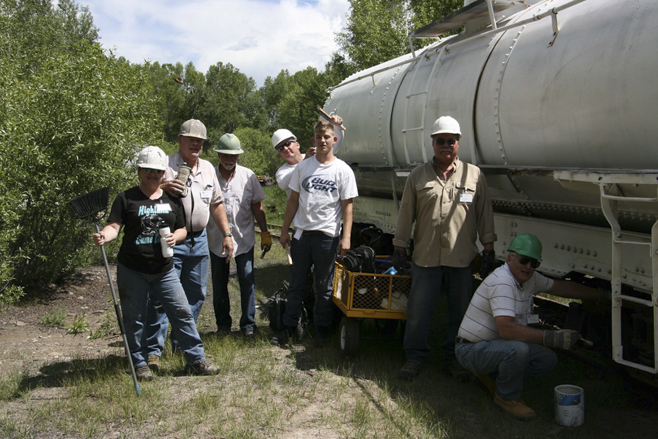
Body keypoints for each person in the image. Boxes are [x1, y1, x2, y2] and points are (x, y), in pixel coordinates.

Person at [92, 146, 219, 380]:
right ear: (139, 171)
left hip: (164, 269)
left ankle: (195, 360)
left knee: (181, 312)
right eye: (148, 170)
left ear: (164, 173)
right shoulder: (126, 198)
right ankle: (140, 364)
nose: (153, 174)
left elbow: (182, 228)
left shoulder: (172, 199)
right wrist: (104, 236)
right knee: (135, 317)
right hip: (133, 269)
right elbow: (114, 226)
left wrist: (175, 237)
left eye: (157, 171)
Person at [393, 115, 497, 381]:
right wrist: (399, 246)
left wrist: (488, 248)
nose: (446, 145)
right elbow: (406, 214)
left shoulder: (474, 175)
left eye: (452, 141)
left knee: (460, 315)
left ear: (458, 144)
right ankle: (415, 357)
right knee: (418, 312)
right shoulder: (418, 176)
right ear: (433, 143)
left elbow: (485, 213)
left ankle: (456, 359)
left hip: (461, 259)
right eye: (441, 141)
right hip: (425, 259)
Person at [455, 233, 600, 420]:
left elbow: (561, 288)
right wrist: (553, 337)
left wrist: (599, 295)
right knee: (518, 350)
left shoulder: (529, 278)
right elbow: (507, 329)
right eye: (524, 261)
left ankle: (491, 376)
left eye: (534, 263)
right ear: (509, 258)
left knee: (546, 359)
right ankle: (506, 398)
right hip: (470, 349)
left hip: (495, 346)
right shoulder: (503, 282)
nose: (528, 267)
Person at [144, 119, 234, 368]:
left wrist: (226, 234)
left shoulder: (206, 168)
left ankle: (181, 343)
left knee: (196, 295)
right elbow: (144, 192)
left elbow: (216, 202)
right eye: (191, 139)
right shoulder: (166, 165)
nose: (196, 144)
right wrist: (162, 186)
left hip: (200, 240)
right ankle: (153, 352)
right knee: (162, 296)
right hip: (169, 238)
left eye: (200, 141)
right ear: (180, 140)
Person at [271, 118, 358, 347]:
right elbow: (293, 201)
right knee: (297, 284)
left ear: (334, 140)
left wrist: (346, 237)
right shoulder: (302, 167)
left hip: (327, 237)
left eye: (327, 137)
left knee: (324, 286)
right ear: (313, 140)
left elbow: (348, 206)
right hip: (302, 235)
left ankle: (322, 330)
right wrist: (284, 231)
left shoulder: (343, 170)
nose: (322, 141)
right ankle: (288, 328)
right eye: (318, 137)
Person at [206, 133, 270, 337]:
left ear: (238, 156)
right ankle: (223, 325)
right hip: (217, 240)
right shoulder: (209, 176)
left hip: (244, 239)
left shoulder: (248, 176)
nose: (229, 159)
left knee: (247, 280)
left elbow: (257, 206)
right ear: (218, 154)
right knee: (219, 283)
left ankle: (248, 325)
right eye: (225, 155)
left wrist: (265, 233)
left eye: (233, 156)